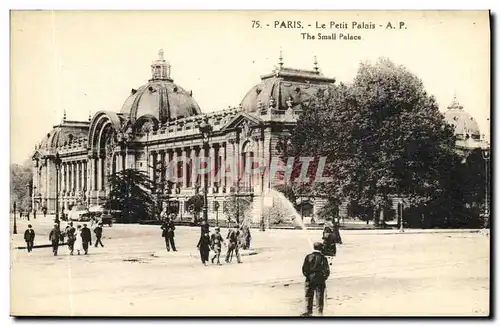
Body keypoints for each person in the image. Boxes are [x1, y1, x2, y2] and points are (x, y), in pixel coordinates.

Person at [301, 242, 330, 317]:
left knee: (308, 295)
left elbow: (304, 269)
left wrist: (308, 276)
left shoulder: (308, 256)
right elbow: (327, 270)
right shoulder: (323, 258)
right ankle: (319, 312)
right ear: (321, 248)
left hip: (310, 278)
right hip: (320, 278)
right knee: (320, 296)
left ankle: (308, 311)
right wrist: (324, 278)